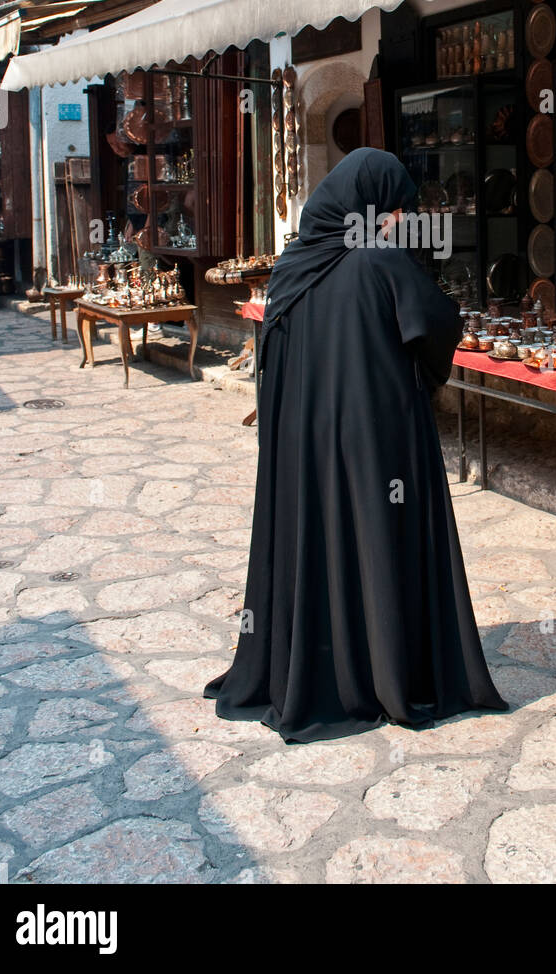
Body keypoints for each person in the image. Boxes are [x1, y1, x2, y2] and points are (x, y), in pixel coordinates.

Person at [205, 147, 506, 742]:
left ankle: (319, 665)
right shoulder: (380, 262)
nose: (398, 222)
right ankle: (388, 672)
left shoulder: (292, 266)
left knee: (319, 543)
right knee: (376, 540)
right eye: (395, 209)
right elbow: (435, 326)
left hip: (303, 448)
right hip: (378, 442)